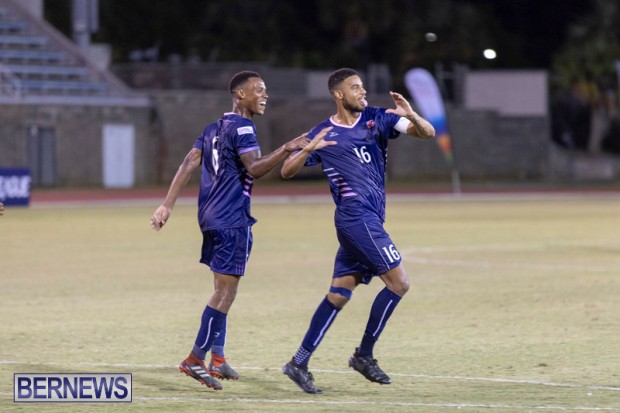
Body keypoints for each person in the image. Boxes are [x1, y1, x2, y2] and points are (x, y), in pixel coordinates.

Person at [150, 71, 311, 391]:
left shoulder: (212, 129)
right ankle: (195, 358)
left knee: (223, 288)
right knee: (225, 292)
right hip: (231, 218)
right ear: (240, 95)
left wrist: (166, 205)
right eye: (259, 91)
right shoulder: (244, 128)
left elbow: (188, 163)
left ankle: (218, 357)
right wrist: (287, 148)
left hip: (209, 217)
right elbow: (255, 168)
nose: (265, 96)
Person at [280, 68, 435, 394]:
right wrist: (307, 150)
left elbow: (427, 133)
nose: (362, 91)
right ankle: (364, 355)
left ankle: (298, 362)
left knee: (338, 294)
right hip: (355, 219)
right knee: (399, 283)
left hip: (369, 220)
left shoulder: (379, 118)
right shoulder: (323, 132)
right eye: (355, 87)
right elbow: (286, 170)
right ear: (339, 95)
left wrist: (411, 115)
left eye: (362, 86)